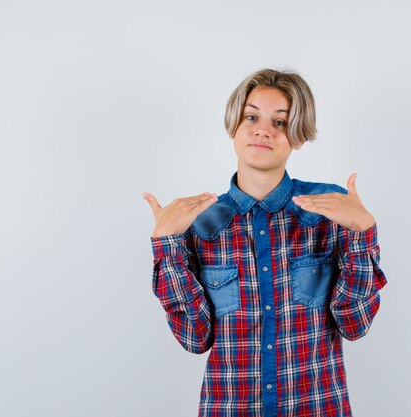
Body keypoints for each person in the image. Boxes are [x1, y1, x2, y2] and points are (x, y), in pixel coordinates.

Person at [142, 68, 388, 417]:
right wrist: (167, 246)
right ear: (234, 126)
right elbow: (194, 338)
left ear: (298, 135)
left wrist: (363, 235)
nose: (262, 130)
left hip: (317, 407)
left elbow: (355, 324)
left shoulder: (330, 212)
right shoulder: (198, 222)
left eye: (280, 122)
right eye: (252, 116)